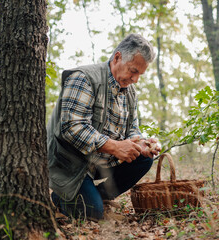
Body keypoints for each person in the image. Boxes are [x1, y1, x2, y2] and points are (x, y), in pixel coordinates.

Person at [47, 33, 161, 220]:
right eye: (133, 71)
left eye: (140, 74)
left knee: (143, 159)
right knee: (92, 213)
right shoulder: (83, 78)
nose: (135, 79)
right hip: (70, 165)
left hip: (99, 161)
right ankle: (61, 197)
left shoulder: (130, 92)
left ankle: (97, 198)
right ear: (117, 58)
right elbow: (71, 127)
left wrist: (141, 143)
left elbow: (132, 128)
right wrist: (115, 146)